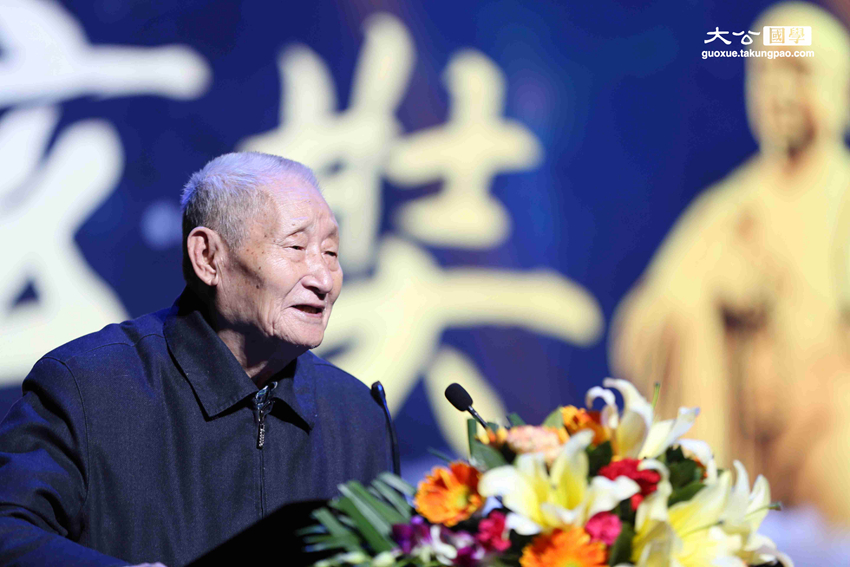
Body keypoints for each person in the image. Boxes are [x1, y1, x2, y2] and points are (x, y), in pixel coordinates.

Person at [0, 152, 393, 566]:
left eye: (330, 253)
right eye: (296, 246)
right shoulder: (87, 387)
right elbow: (9, 530)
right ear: (208, 257)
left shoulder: (357, 414)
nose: (324, 279)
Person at [609, 2, 850, 524]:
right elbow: (644, 323)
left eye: (799, 72)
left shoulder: (844, 198)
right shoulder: (728, 209)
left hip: (829, 431)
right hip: (741, 445)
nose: (781, 92)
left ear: (843, 91)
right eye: (766, 74)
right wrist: (705, 303)